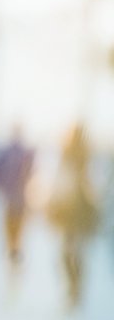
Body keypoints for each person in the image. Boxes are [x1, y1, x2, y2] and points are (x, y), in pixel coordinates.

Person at [46, 123, 101, 308]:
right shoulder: (73, 154)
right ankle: (74, 287)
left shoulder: (83, 155)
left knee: (71, 253)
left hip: (75, 212)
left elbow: (63, 181)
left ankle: (75, 288)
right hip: (73, 212)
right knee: (72, 253)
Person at [0, 126, 36, 270]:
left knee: (12, 226)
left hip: (11, 197)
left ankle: (13, 250)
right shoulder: (22, 152)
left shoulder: (7, 153)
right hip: (18, 198)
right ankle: (14, 250)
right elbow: (31, 172)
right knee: (16, 226)